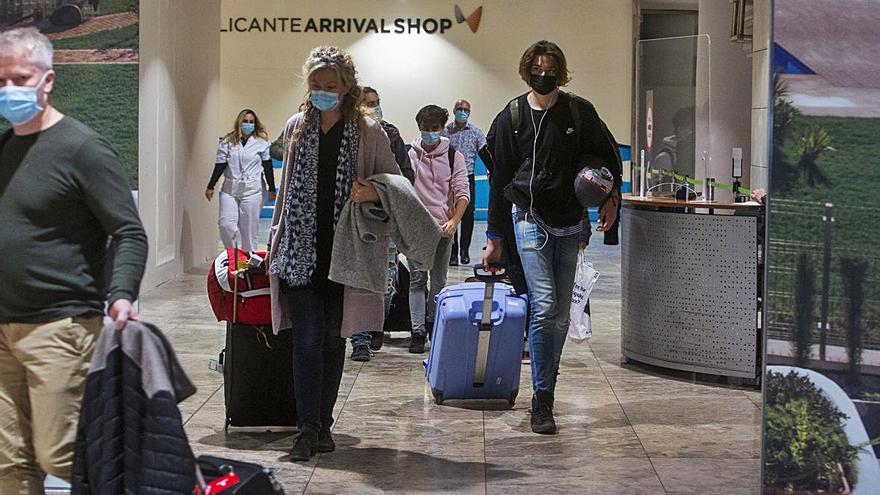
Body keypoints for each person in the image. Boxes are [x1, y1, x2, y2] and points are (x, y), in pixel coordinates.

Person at [0, 27, 148, 492]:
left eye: (20, 79)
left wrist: (121, 293)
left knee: (63, 454)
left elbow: (128, 232)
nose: (9, 90)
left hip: (60, 328)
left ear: (47, 81)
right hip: (2, 327)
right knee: (10, 462)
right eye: (1, 80)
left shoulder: (82, 147)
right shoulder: (4, 148)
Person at [267, 45, 401, 462]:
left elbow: (397, 184)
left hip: (344, 252)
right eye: (315, 85)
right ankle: (306, 428)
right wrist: (275, 238)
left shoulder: (367, 131)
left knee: (331, 338)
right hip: (299, 250)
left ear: (346, 87)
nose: (322, 92)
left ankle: (323, 423)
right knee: (305, 339)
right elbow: (287, 189)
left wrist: (373, 190)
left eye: (330, 86)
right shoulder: (295, 127)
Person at [483, 40, 621, 434]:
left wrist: (611, 196)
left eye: (550, 68)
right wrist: (495, 236)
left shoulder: (580, 111)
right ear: (526, 71)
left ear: (560, 73)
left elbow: (608, 158)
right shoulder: (510, 116)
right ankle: (542, 400)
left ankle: (547, 385)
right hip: (527, 219)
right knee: (544, 306)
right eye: (537, 68)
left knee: (561, 314)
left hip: (570, 223)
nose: (544, 75)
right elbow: (498, 182)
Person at [349, 85, 415, 362]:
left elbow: (406, 175)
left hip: (384, 219)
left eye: (376, 102)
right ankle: (359, 340)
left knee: (386, 283)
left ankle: (376, 324)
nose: (373, 108)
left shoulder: (392, 134)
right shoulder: (349, 135)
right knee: (356, 281)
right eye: (367, 103)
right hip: (353, 220)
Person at [407, 105, 470, 354]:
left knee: (439, 281)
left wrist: (455, 220)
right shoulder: (409, 155)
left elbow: (462, 192)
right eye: (425, 129)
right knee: (416, 280)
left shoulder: (454, 156)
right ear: (419, 127)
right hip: (416, 229)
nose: (429, 134)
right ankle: (417, 331)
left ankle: (434, 325)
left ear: (442, 128)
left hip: (443, 229)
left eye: (434, 129)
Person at [205, 108, 275, 252]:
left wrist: (271, 189)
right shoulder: (227, 142)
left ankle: (247, 268)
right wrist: (211, 185)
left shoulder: (261, 143)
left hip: (253, 190)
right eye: (245, 121)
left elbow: (268, 167)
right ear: (239, 122)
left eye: (251, 122)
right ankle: (233, 258)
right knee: (226, 225)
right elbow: (220, 165)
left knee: (249, 232)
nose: (248, 124)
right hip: (230, 189)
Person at [442, 99, 486, 266]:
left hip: (468, 177)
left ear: (469, 112)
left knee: (468, 216)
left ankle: (464, 251)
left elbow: (485, 153)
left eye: (465, 109)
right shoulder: (444, 132)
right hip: (448, 178)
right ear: (453, 111)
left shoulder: (476, 132)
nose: (462, 112)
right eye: (459, 109)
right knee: (451, 215)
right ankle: (452, 253)